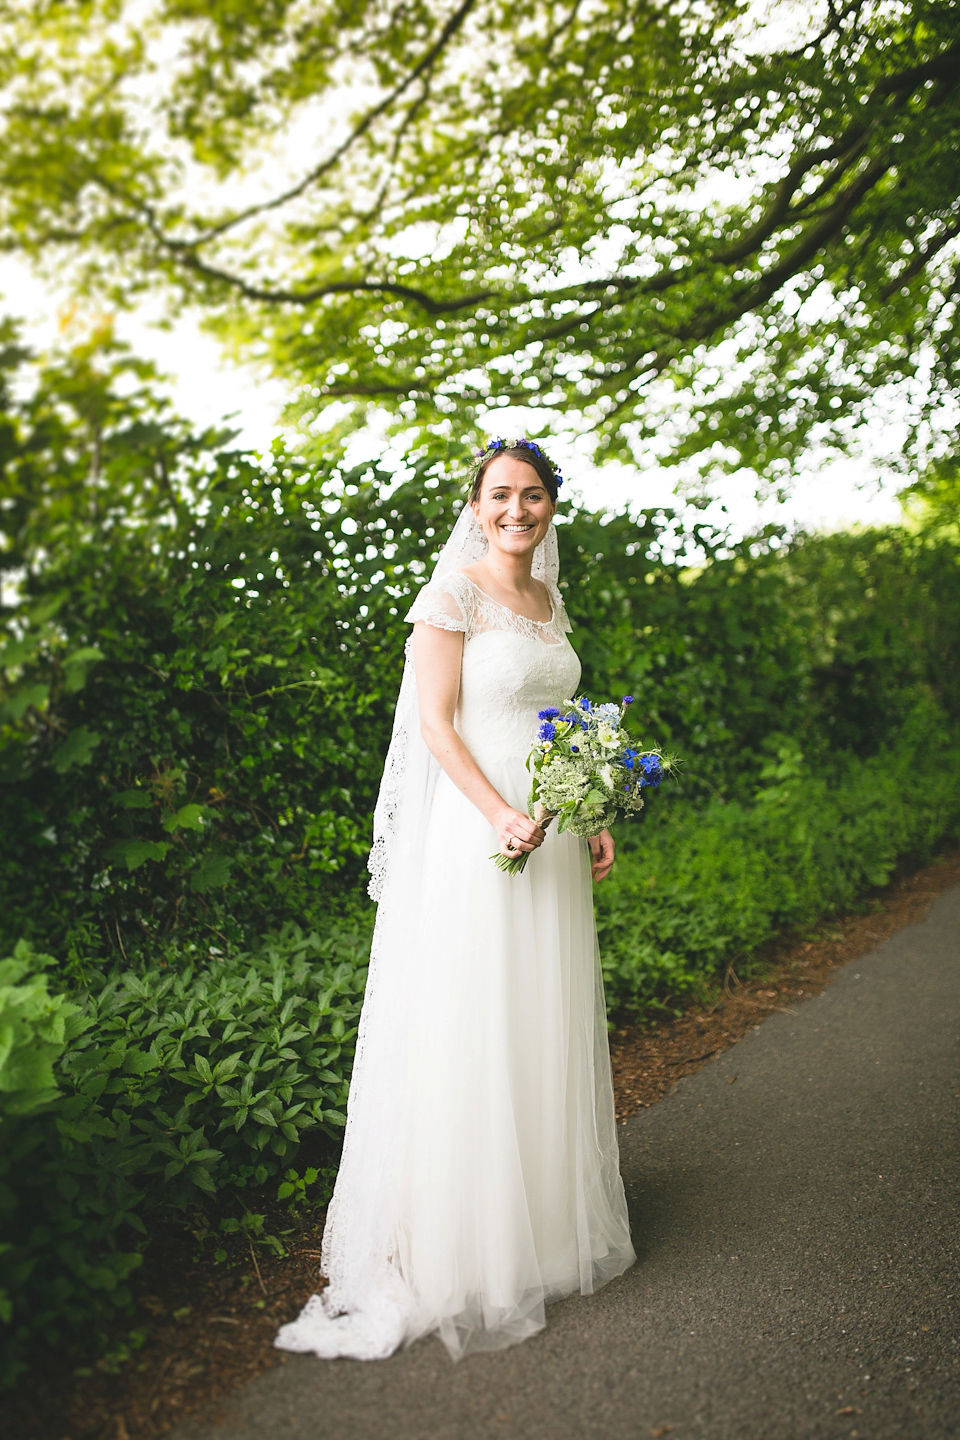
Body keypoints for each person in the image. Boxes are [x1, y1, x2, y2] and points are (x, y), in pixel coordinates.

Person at [275, 439, 635, 1362]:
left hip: (550, 835)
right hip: (482, 834)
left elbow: (560, 725)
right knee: (476, 1021)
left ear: (553, 506)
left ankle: (543, 1232)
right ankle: (461, 1246)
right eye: (502, 494)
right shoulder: (451, 599)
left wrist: (586, 812)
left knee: (540, 1020)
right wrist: (499, 815)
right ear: (477, 507)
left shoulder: (549, 604)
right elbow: (436, 726)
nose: (519, 508)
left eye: (535, 494)